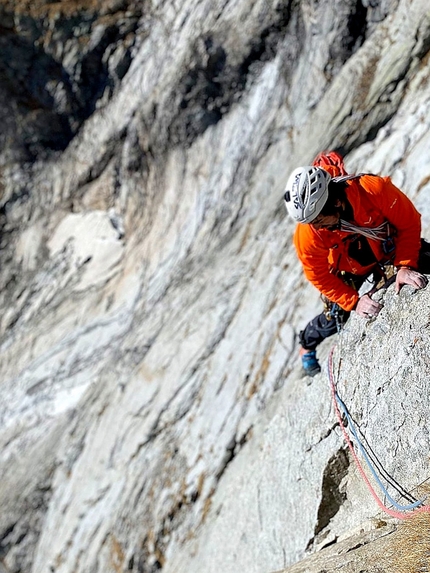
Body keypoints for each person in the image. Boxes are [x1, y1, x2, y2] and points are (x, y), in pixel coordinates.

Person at [283, 151, 429, 377]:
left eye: (320, 221)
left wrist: (405, 266)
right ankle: (307, 344)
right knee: (335, 316)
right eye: (313, 223)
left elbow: (409, 223)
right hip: (347, 266)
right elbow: (318, 275)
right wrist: (353, 301)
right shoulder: (308, 234)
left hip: (384, 246)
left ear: (337, 202)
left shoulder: (373, 190)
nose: (317, 228)